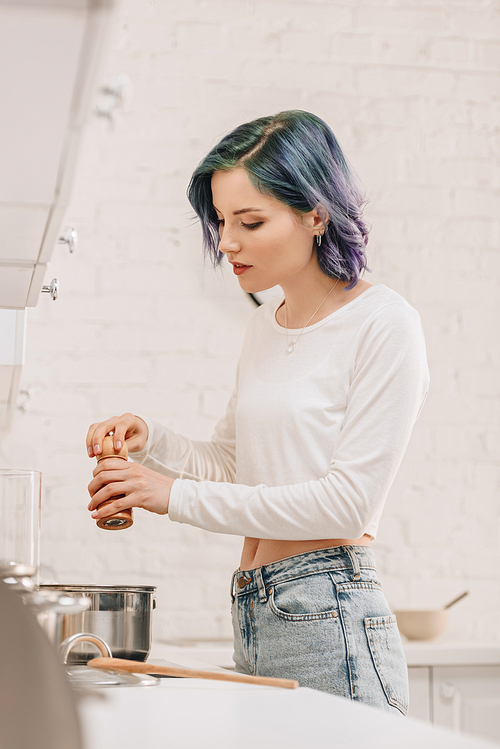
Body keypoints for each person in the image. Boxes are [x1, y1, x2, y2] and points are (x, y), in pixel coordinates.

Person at [86, 110, 429, 714]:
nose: (227, 242)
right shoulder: (263, 327)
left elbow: (348, 503)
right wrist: (152, 443)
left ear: (316, 213)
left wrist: (169, 496)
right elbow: (234, 463)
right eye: (220, 221)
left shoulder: (384, 323)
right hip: (256, 604)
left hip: (329, 612)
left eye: (250, 221)